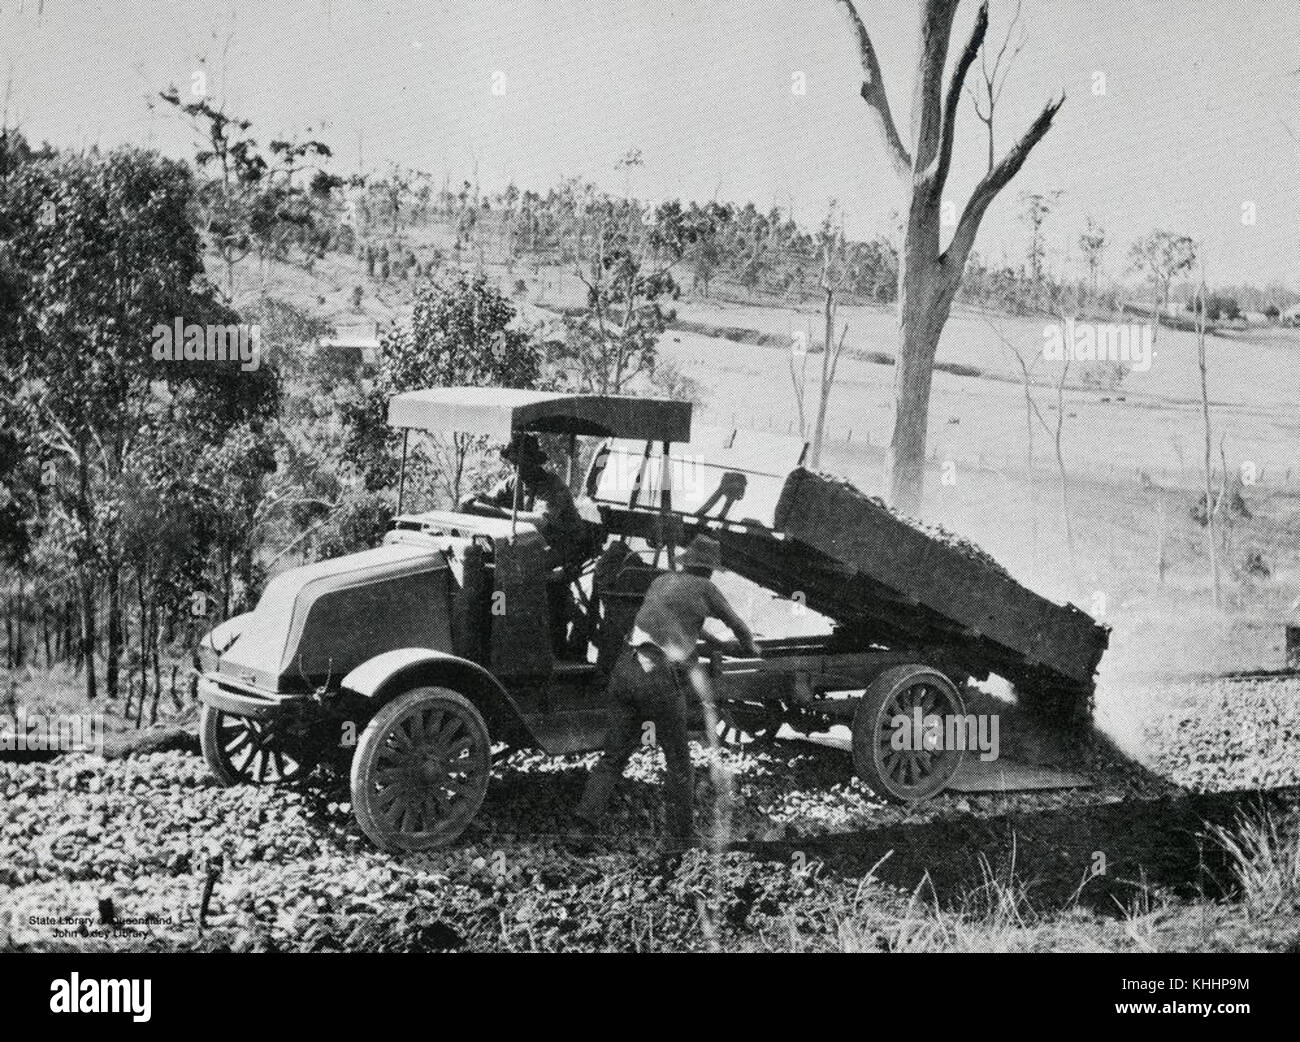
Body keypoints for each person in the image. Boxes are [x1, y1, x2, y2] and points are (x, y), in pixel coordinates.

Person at [573, 535, 760, 846]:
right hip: (657, 679)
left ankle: (582, 826)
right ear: (710, 570)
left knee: (613, 757)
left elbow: (680, 621)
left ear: (685, 563)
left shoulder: (662, 581)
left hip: (624, 670)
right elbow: (738, 625)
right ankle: (681, 839)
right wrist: (750, 648)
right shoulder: (706, 588)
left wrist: (716, 644)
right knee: (678, 761)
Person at [459, 433, 590, 654]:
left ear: (534, 461)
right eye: (513, 463)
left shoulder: (552, 485)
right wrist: (474, 500)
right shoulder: (514, 482)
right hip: (534, 547)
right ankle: (497, 625)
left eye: (521, 463)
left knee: (516, 574)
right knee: (495, 575)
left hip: (566, 549)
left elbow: (541, 522)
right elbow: (490, 500)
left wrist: (495, 511)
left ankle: (528, 639)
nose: (515, 468)